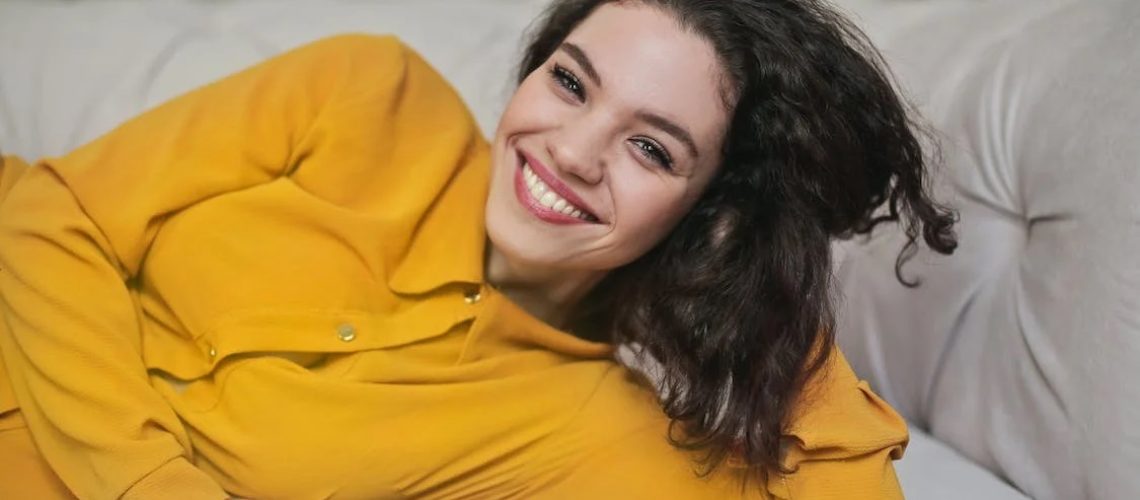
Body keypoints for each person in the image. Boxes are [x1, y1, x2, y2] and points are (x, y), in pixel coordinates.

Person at [0, 0, 956, 498]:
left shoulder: (585, 431)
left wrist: (774, 294)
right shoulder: (365, 92)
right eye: (571, 82)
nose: (572, 152)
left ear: (711, 211)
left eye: (652, 148)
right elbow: (47, 214)